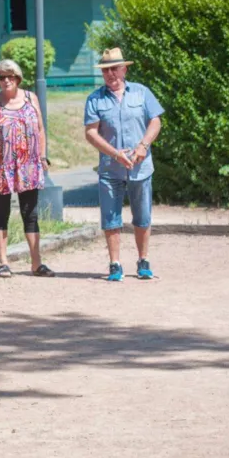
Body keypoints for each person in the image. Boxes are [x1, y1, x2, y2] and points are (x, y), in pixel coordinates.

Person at [84, 47, 164, 282]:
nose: (110, 74)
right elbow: (90, 133)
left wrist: (143, 146)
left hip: (141, 167)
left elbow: (155, 121)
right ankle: (115, 264)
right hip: (110, 168)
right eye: (105, 70)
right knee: (110, 217)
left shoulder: (141, 92)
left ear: (124, 69)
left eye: (114, 69)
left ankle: (143, 261)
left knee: (143, 215)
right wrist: (114, 153)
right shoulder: (94, 99)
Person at [0, 60, 54, 278]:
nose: (6, 80)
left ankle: (36, 263)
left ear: (18, 78)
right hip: (2, 167)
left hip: (28, 165)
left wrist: (42, 156)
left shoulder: (31, 98)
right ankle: (3, 261)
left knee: (30, 214)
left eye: (10, 76)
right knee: (1, 213)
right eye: (2, 77)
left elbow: (40, 129)